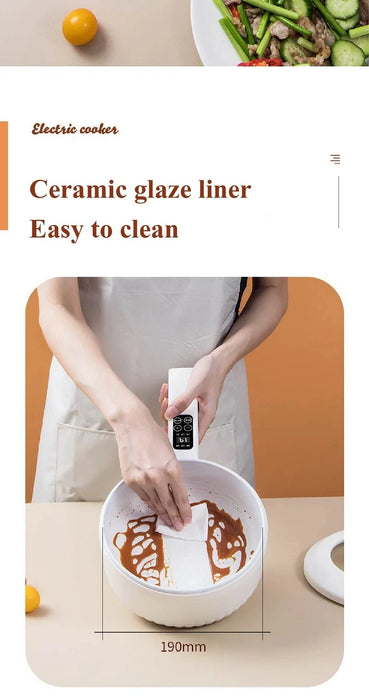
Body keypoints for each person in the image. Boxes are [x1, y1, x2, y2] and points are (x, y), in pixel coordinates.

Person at [32, 277, 288, 531]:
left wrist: (220, 361)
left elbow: (272, 290)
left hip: (206, 414)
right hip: (90, 411)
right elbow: (58, 307)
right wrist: (128, 420)